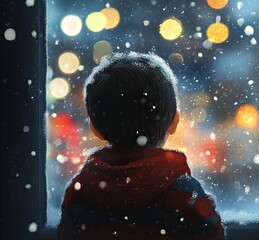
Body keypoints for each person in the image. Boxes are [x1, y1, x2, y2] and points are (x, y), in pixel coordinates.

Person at [57, 52, 225, 240]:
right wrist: (206, 208)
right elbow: (213, 235)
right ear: (174, 121)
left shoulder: (80, 191)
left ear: (95, 129)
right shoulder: (183, 192)